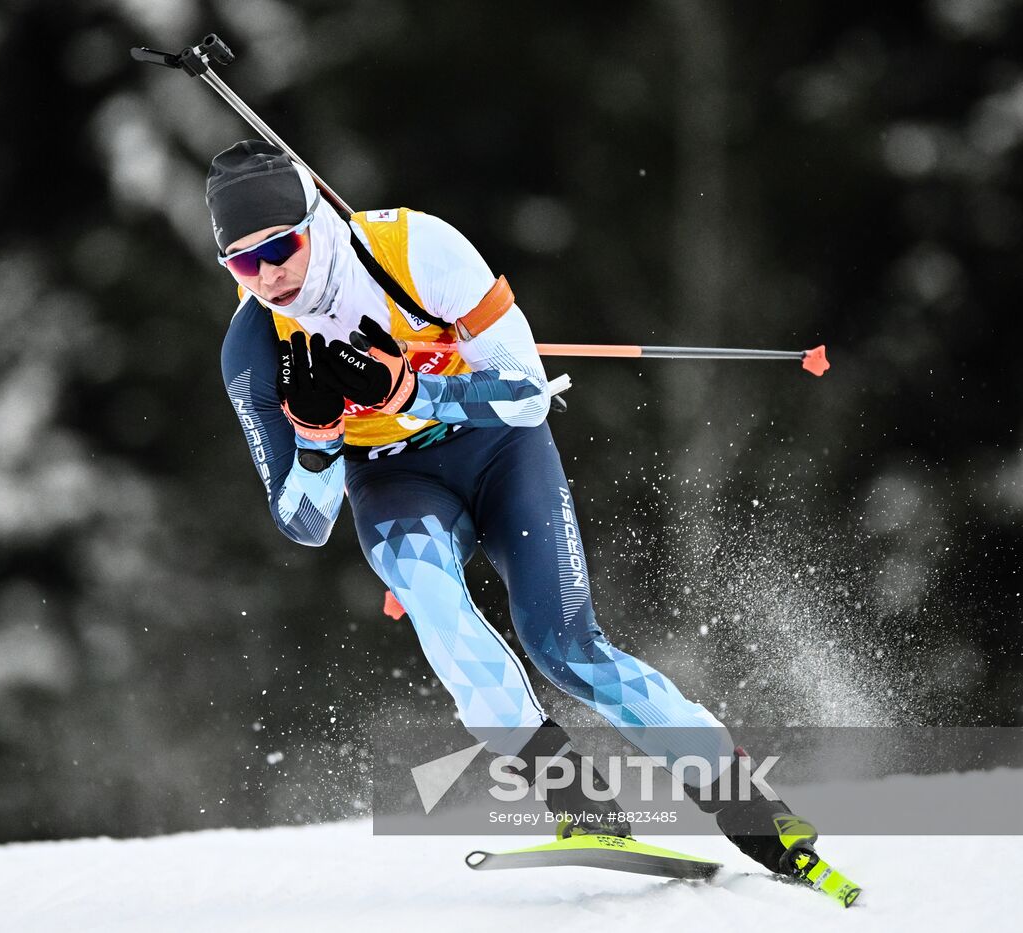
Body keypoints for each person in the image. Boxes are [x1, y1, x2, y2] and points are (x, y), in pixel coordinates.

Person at [211, 139, 820, 878]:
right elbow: (304, 523)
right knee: (437, 608)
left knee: (563, 644)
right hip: (394, 479)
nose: (269, 275)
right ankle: (580, 805)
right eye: (243, 262)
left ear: (314, 219)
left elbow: (529, 394)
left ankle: (749, 807)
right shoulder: (252, 346)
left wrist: (414, 393)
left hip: (498, 449)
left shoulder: (416, 247)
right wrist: (316, 441)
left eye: (281, 246)